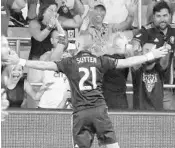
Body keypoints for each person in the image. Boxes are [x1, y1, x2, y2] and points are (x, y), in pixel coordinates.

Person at [5, 32, 168, 148]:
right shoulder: (100, 60)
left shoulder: (69, 62)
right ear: (93, 46)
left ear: (77, 44)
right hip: (99, 111)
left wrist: (20, 61)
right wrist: (150, 55)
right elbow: (127, 62)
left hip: (81, 113)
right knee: (112, 145)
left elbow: (45, 65)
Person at [80, 1, 137, 110]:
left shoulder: (109, 27)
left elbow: (126, 23)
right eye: (96, 9)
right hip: (94, 69)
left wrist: (131, 14)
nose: (99, 12)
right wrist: (88, 12)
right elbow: (82, 41)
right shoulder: (86, 29)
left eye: (102, 10)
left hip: (108, 68)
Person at [131, 1, 175, 110]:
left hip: (167, 86)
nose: (162, 19)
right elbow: (134, 45)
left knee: (168, 123)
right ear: (153, 17)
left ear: (170, 16)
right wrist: (139, 49)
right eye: (158, 16)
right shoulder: (146, 30)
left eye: (165, 15)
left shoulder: (173, 30)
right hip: (150, 87)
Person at [28, 2, 65, 83]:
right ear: (43, 11)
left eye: (55, 11)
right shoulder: (34, 23)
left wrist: (57, 23)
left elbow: (64, 40)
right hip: (36, 62)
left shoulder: (56, 26)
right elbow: (39, 37)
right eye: (50, 10)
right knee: (35, 87)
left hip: (51, 62)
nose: (53, 13)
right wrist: (50, 26)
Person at [37, 30, 71, 109]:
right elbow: (48, 60)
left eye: (64, 38)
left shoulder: (73, 57)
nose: (61, 41)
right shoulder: (45, 56)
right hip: (46, 106)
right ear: (51, 41)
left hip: (66, 107)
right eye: (58, 38)